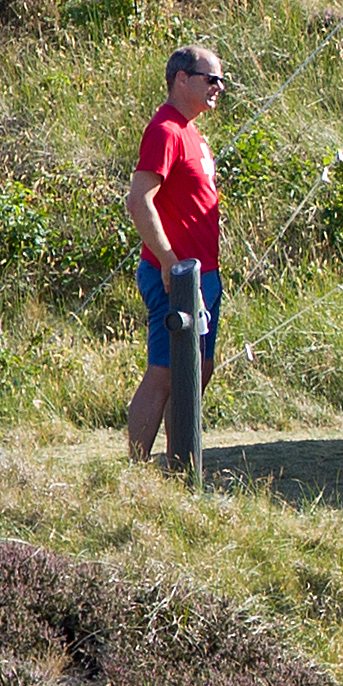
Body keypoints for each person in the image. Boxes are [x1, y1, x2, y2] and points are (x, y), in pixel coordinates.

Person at [124, 43, 227, 464]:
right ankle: (136, 469)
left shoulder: (192, 132)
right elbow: (138, 200)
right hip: (175, 276)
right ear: (181, 79)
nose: (219, 87)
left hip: (203, 274)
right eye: (211, 79)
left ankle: (179, 466)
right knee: (166, 371)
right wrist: (168, 262)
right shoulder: (166, 129)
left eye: (222, 80)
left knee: (197, 371)